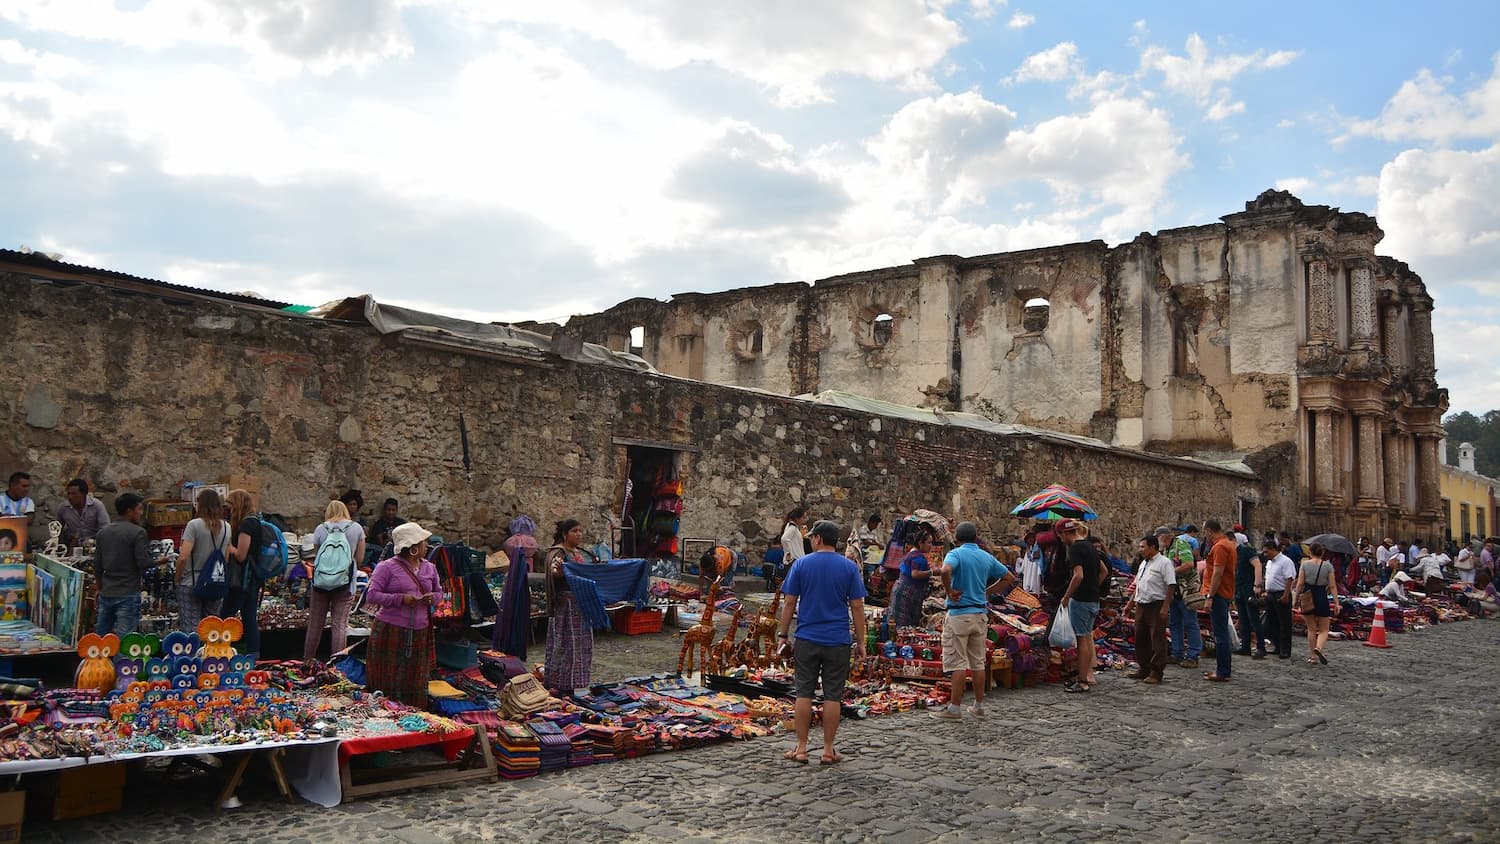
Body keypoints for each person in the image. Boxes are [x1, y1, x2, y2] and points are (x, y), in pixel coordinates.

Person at [778, 520, 866, 763]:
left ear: (817, 539)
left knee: (804, 692)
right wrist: (861, 641)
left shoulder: (802, 564)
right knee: (832, 696)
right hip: (837, 639)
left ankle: (802, 747)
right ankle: (828, 750)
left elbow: (789, 602)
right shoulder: (848, 568)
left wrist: (783, 634)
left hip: (807, 637)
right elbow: (857, 607)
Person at [931, 521, 1014, 716]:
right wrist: (988, 591)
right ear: (975, 537)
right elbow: (1009, 577)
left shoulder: (956, 554)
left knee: (958, 663)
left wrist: (949, 591)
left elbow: (945, 571)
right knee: (978, 662)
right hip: (979, 614)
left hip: (960, 614)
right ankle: (978, 706)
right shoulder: (985, 556)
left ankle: (955, 707)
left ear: (957, 539)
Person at [364, 523, 440, 705]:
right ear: (413, 547)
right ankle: (385, 709)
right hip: (391, 629)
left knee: (415, 677)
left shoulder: (430, 568)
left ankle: (414, 710)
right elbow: (372, 595)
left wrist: (433, 598)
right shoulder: (386, 567)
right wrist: (400, 599)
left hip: (420, 631)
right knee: (387, 676)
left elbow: (439, 592)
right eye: (423, 542)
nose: (427, 546)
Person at [305, 500, 367, 662]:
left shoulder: (320, 529)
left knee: (315, 625)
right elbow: (359, 559)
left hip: (321, 584)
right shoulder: (356, 529)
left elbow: (318, 558)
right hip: (345, 584)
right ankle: (336, 666)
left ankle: (306, 661)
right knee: (339, 625)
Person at [545, 519, 595, 691]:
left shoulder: (579, 553)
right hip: (566, 607)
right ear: (565, 534)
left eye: (580, 531)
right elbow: (555, 573)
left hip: (581, 605)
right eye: (575, 531)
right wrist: (559, 572)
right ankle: (562, 683)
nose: (579, 534)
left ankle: (580, 682)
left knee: (582, 645)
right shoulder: (558, 553)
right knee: (565, 645)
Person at [93, 493, 153, 638]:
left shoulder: (103, 532)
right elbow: (143, 562)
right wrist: (159, 561)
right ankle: (121, 662)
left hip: (107, 592)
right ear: (129, 511)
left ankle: (99, 662)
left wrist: (100, 587)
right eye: (138, 509)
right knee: (125, 640)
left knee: (101, 638)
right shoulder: (138, 532)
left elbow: (97, 565)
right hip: (128, 593)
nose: (140, 513)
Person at [1057, 519, 1104, 693]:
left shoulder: (1076, 548)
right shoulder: (1090, 546)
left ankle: (1083, 680)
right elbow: (1104, 570)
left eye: (1060, 536)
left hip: (1081, 600)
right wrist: (1094, 587)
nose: (1061, 540)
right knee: (1086, 637)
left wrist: (1067, 596)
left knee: (1082, 639)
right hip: (1093, 599)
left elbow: (1078, 575)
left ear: (1065, 533)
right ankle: (1084, 676)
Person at [222, 489, 269, 657]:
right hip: (251, 578)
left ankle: (217, 652)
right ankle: (253, 655)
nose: (228, 509)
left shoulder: (247, 524)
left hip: (242, 579)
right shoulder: (255, 521)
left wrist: (227, 548)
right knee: (249, 617)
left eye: (230, 505)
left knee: (224, 617)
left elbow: (241, 555)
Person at [176, 488, 229, 633]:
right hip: (215, 581)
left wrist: (177, 578)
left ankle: (193, 655)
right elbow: (226, 558)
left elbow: (183, 557)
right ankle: (209, 655)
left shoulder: (194, 525)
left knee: (191, 628)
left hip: (191, 581)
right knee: (210, 629)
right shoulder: (227, 527)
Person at [1126, 534, 1175, 684]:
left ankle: (1156, 671)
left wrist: (1165, 607)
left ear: (1153, 547)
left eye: (1143, 547)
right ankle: (1144, 667)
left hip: (1156, 604)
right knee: (1140, 637)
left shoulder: (1164, 563)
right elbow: (1139, 584)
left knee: (1157, 638)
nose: (1140, 550)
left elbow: (1171, 585)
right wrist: (1130, 604)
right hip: (1142, 604)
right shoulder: (1143, 564)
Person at [1160, 525, 1202, 669]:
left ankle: (1193, 655)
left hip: (1185, 590)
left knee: (1190, 622)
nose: (1159, 540)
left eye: (1160, 537)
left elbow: (1189, 564)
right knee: (1174, 623)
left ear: (1165, 536)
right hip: (1173, 590)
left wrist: (1170, 572)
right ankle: (1177, 653)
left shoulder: (1180, 544)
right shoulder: (1166, 549)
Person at [1201, 519, 1236, 682]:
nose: (1205, 536)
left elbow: (1218, 573)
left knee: (1220, 634)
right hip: (1224, 593)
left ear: (1209, 530)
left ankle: (1223, 671)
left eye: (1205, 532)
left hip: (1219, 594)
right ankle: (1223, 669)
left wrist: (1210, 596)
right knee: (1221, 633)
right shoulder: (1228, 544)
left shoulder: (1220, 546)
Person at [1293, 541, 1338, 665]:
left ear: (1310, 552)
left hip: (1308, 596)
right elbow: (1333, 586)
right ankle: (1319, 648)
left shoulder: (1305, 565)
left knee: (1311, 628)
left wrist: (1295, 600)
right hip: (1321, 596)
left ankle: (1313, 657)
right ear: (1322, 552)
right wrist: (1337, 602)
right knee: (1324, 629)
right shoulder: (1328, 566)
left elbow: (1300, 584)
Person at [887, 525, 935, 629]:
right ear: (920, 543)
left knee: (899, 620)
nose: (930, 546)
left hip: (903, 589)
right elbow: (915, 574)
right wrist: (932, 572)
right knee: (904, 623)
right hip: (908, 592)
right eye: (929, 543)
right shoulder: (917, 556)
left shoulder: (913, 553)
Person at [1261, 539, 1296, 659]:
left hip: (1281, 593)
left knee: (1284, 623)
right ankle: (1277, 646)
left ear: (1273, 550)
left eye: (1266, 552)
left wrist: (1286, 595)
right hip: (1271, 594)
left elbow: (1289, 579)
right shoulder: (1270, 562)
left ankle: (1285, 649)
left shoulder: (1285, 561)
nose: (1265, 555)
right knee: (1272, 622)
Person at [1233, 535, 1267, 659]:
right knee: (1243, 619)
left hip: (1249, 589)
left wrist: (1257, 585)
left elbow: (1257, 565)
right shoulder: (1235, 553)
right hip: (1240, 590)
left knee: (1254, 620)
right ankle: (1245, 646)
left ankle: (1261, 647)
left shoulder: (1246, 550)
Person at [57, 479, 110, 547]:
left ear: (84, 494)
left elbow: (105, 529)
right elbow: (57, 529)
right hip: (73, 543)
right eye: (68, 493)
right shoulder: (63, 508)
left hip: (94, 544)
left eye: (74, 494)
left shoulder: (97, 506)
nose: (70, 497)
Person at [778, 507, 808, 584]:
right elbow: (784, 539)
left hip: (796, 560)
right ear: (797, 518)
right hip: (794, 560)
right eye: (803, 517)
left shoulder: (794, 527)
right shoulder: (792, 527)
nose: (805, 520)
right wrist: (789, 553)